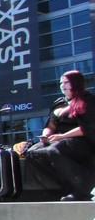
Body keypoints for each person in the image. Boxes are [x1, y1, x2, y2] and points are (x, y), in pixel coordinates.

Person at [25, 71, 95, 201]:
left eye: (66, 82)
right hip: (59, 139)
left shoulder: (88, 100)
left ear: (76, 83)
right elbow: (51, 125)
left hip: (82, 141)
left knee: (54, 150)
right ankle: (64, 186)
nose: (62, 85)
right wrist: (45, 135)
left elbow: (88, 128)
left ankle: (82, 190)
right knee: (33, 152)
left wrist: (62, 136)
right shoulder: (59, 102)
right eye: (61, 83)